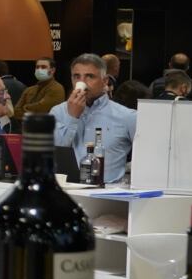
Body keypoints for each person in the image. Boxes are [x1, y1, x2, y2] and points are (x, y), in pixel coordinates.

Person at [53, 53, 137, 185]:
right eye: (76, 76)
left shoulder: (127, 116)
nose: (82, 83)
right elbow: (55, 153)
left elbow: (147, 157)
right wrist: (72, 118)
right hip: (67, 190)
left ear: (105, 81)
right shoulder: (58, 112)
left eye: (90, 76)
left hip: (108, 194)